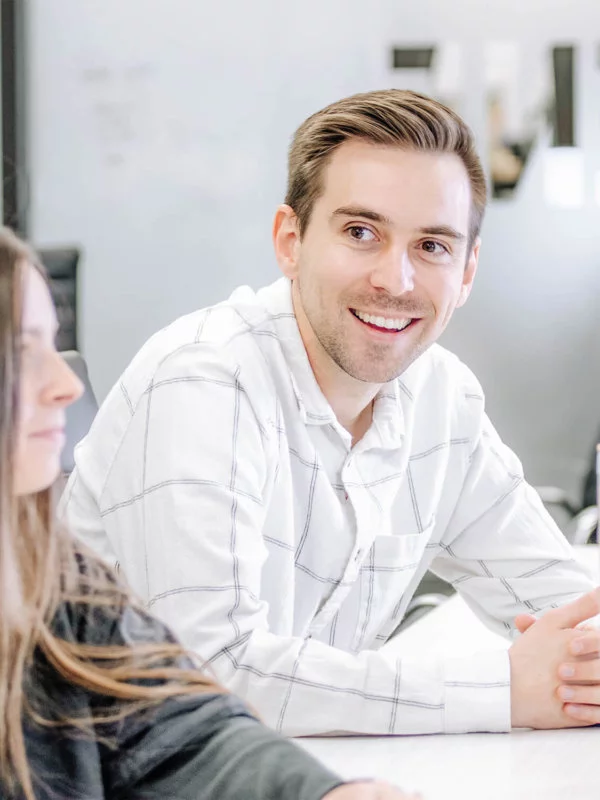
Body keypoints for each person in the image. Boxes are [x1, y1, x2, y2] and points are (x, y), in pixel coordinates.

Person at [62, 89, 600, 738]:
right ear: (290, 241)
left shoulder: (440, 398)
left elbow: (570, 610)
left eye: (432, 246)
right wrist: (504, 690)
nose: (396, 280)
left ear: (466, 271)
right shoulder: (203, 382)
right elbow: (212, 676)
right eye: (361, 232)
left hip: (302, 770)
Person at [0, 227, 411, 799]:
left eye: (53, 345)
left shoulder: (46, 573)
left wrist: (318, 793)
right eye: (21, 355)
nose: (66, 386)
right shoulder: (203, 368)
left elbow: (180, 725)